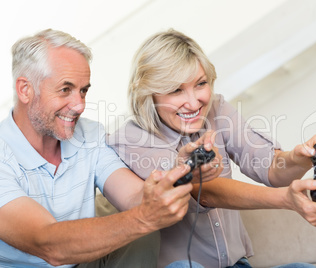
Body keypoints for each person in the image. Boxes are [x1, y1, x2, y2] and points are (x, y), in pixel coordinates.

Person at [107, 29, 316, 268]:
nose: (194, 102)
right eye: (175, 90)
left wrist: (300, 157)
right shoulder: (130, 138)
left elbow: (268, 165)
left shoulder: (217, 110)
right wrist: (286, 199)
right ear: (148, 94)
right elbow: (204, 191)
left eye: (201, 84)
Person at [0, 29, 220, 268]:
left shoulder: (89, 134)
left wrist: (178, 173)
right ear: (25, 89)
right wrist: (143, 218)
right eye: (66, 89)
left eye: (83, 90)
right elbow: (48, 245)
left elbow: (135, 197)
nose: (79, 105)